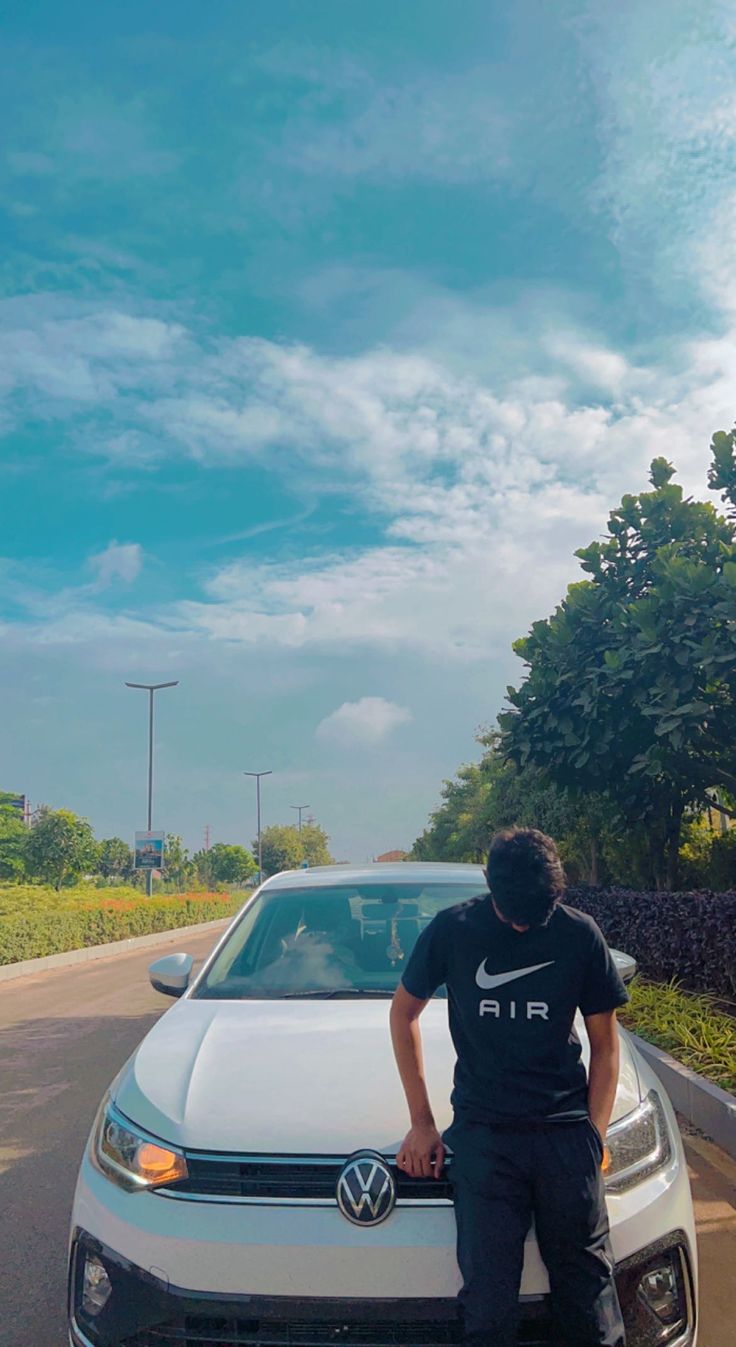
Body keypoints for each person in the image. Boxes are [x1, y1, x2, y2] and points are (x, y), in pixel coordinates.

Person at [390, 828, 628, 1347]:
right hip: (485, 1135)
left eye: (535, 915)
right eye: (513, 915)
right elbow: (403, 1012)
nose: (524, 924)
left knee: (589, 1298)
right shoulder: (454, 930)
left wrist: (595, 1135)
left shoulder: (579, 934)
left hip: (564, 1134)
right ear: (489, 887)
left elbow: (605, 1047)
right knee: (488, 1306)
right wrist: (423, 1122)